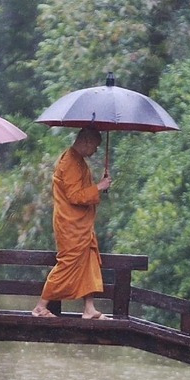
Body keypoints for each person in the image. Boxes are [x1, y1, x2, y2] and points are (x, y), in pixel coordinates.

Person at [32, 127, 113, 319]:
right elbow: (75, 196)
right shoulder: (70, 162)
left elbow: (82, 190)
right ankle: (40, 307)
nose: (95, 151)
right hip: (70, 225)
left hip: (82, 225)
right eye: (95, 146)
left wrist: (98, 186)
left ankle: (89, 308)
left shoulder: (79, 162)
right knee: (68, 264)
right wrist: (99, 187)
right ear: (86, 141)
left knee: (89, 262)